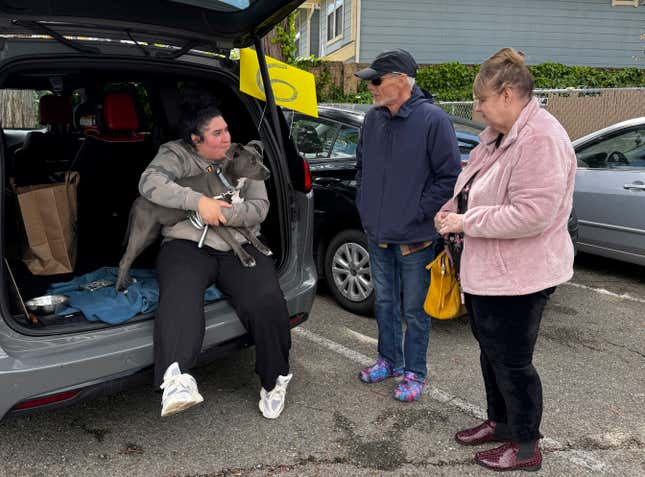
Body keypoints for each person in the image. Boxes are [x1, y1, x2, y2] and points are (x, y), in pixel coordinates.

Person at [435, 48, 576, 472]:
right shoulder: (498, 136)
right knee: (490, 353)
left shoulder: (540, 139)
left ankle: (526, 445)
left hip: (519, 277)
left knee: (513, 363)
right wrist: (451, 210)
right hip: (488, 272)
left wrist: (465, 221)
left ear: (508, 94)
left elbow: (533, 214)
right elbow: (474, 188)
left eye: (481, 100)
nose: (476, 109)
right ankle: (500, 423)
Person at [138, 97, 292, 419]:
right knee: (179, 291)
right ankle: (177, 378)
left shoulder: (241, 156)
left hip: (239, 242)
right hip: (188, 241)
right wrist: (198, 202)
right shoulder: (176, 153)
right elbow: (149, 183)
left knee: (265, 298)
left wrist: (223, 213)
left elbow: (260, 208)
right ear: (196, 139)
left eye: (227, 130)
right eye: (217, 133)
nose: (226, 138)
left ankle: (275, 378)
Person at [354, 49, 461, 402]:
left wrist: (419, 212)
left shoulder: (433, 120)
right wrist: (366, 206)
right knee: (384, 303)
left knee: (415, 311)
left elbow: (449, 177)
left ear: (401, 80)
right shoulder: (372, 120)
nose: (370, 87)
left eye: (376, 80)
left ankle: (415, 371)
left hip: (415, 238)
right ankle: (388, 360)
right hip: (378, 234)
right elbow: (362, 168)